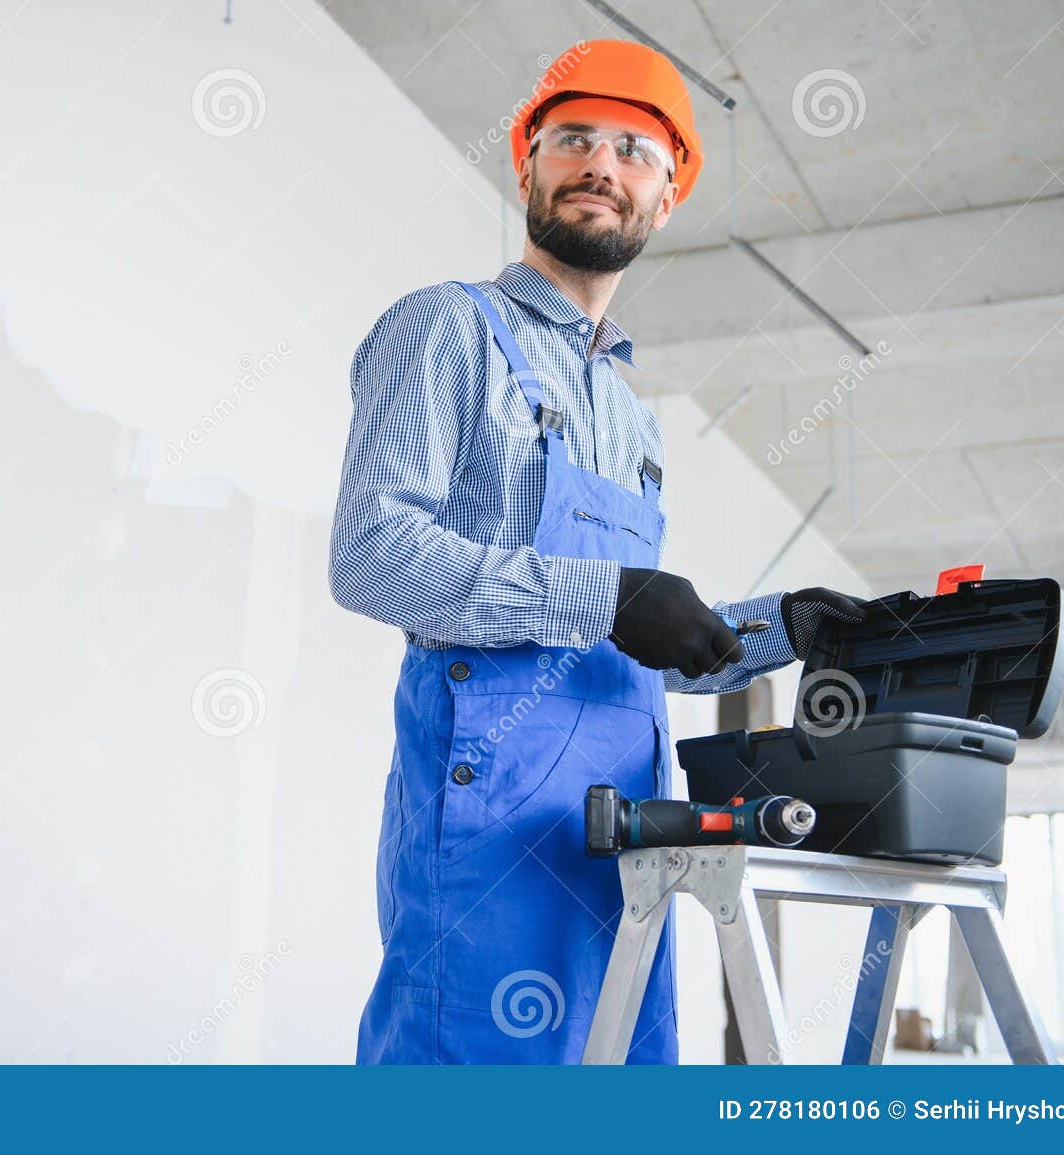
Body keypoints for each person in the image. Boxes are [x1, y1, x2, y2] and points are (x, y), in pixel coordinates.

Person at [328, 39, 866, 1064]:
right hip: (488, 820)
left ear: (665, 199)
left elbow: (639, 636)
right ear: (525, 163)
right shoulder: (449, 329)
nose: (599, 166)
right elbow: (370, 555)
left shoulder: (633, 418)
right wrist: (605, 594)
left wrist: (780, 627)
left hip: (626, 832)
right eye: (572, 138)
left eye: (634, 150)